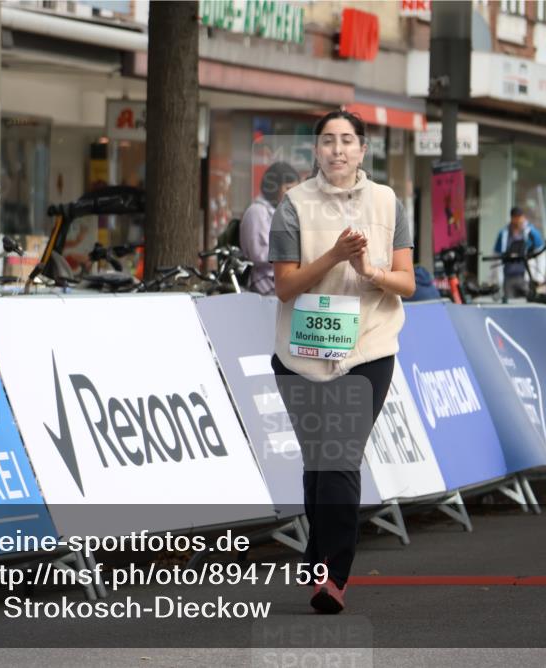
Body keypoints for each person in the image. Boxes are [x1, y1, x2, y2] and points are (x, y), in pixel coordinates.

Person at [268, 110, 415, 614]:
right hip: (300, 353)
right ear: (316, 151)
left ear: (362, 149)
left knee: (339, 457)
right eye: (328, 141)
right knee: (317, 465)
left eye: (347, 141)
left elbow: (407, 283)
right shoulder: (293, 206)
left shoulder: (387, 202)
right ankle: (318, 558)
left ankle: (334, 572)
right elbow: (284, 286)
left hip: (368, 348)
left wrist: (368, 269)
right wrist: (332, 256)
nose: (337, 150)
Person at [239, 161, 300, 295]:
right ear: (274, 188)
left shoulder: (283, 212)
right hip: (265, 282)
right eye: (288, 188)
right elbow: (258, 253)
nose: (292, 195)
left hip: (284, 278)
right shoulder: (257, 211)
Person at [493, 206, 546, 300]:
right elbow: (496, 256)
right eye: (515, 218)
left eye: (519, 217)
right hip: (508, 277)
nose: (517, 221)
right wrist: (495, 279)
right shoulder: (504, 234)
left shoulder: (531, 233)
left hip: (525, 277)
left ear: (523, 217)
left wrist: (538, 278)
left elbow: (541, 255)